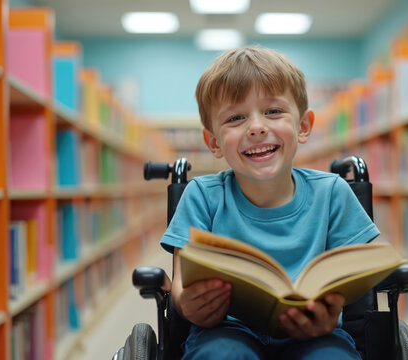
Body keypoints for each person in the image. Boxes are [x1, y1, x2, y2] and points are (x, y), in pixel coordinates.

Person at [160, 46, 380, 359]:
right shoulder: (201, 197)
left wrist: (330, 312)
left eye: (273, 111)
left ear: (303, 126)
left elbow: (351, 284)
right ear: (213, 143)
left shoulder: (333, 193)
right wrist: (190, 305)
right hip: (225, 329)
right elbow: (181, 288)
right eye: (236, 117)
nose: (256, 127)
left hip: (316, 332)